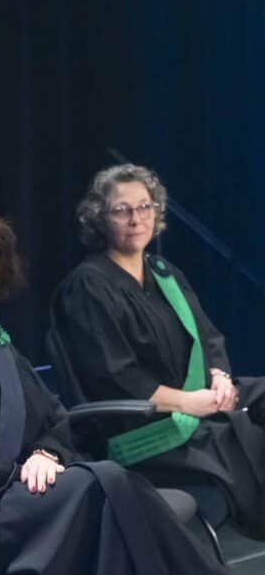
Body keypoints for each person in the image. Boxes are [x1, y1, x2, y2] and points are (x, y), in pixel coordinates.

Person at [0, 197, 231, 575]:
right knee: (103, 487)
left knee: (107, 495)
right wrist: (21, 471)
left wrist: (45, 453)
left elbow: (53, 414)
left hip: (26, 494)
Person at [49, 163, 265, 538]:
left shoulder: (164, 272)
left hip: (196, 403)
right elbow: (115, 375)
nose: (136, 219)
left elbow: (208, 337)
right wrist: (187, 403)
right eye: (122, 210)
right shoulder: (87, 287)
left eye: (145, 207)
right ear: (99, 219)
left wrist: (221, 378)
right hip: (144, 424)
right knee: (245, 435)